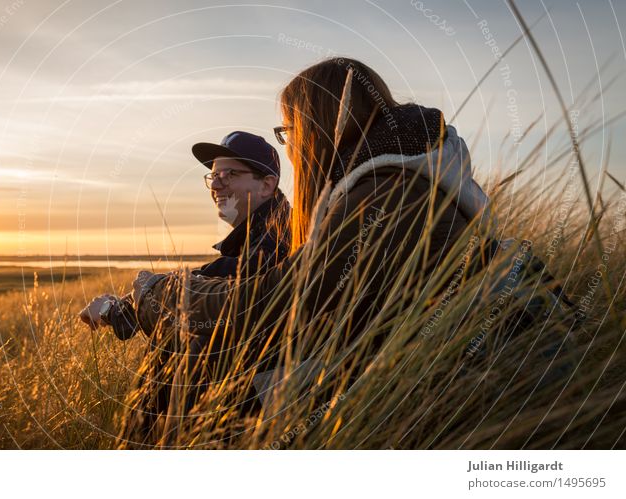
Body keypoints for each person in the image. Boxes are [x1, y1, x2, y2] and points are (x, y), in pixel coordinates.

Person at [127, 57, 496, 432]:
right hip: (390, 363)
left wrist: (163, 294)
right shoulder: (396, 181)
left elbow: (275, 302)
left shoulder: (383, 196)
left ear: (318, 126)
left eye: (289, 131)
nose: (290, 149)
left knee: (189, 354)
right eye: (214, 176)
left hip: (403, 386)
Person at [78, 131, 290, 444]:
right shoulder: (261, 234)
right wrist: (123, 307)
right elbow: (201, 282)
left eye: (230, 174)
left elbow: (211, 288)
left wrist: (118, 309)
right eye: (214, 175)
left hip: (259, 408)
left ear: (267, 184)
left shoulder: (273, 243)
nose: (216, 185)